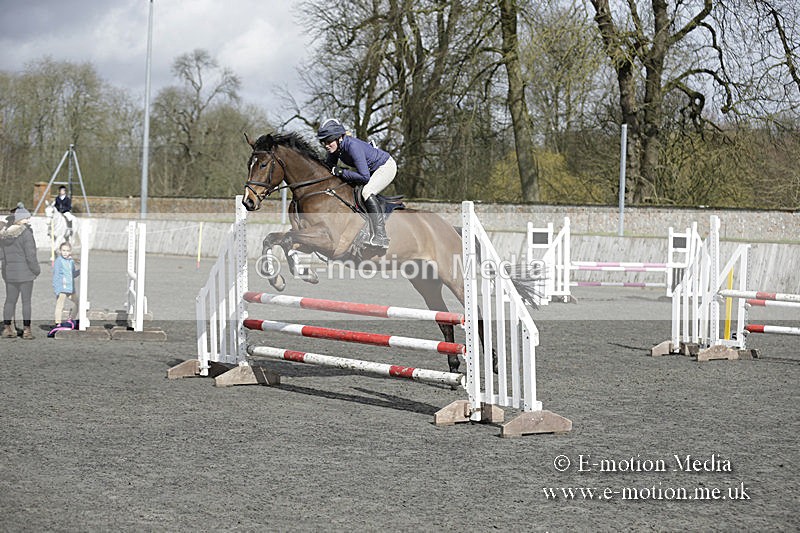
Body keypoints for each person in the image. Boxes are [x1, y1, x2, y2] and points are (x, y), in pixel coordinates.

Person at [316, 119, 396, 248]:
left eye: (329, 141)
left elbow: (364, 177)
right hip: (372, 170)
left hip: (386, 167)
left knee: (367, 191)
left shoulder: (352, 146)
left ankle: (381, 236)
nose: (326, 145)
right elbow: (329, 168)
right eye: (323, 142)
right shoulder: (336, 149)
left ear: (339, 138)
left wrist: (341, 172)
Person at [1, 204, 41, 339]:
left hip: (9, 273)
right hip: (25, 273)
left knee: (10, 301)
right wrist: (36, 270)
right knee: (26, 302)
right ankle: (26, 330)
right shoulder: (26, 233)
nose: (28, 221)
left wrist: (6, 271)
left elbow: (2, 256)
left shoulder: (4, 235)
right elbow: (31, 255)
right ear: (20, 219)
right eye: (26, 218)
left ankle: (7, 328)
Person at [52, 242, 80, 326]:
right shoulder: (58, 261)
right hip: (62, 288)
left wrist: (80, 271)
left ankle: (71, 319)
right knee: (60, 305)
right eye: (63, 250)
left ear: (70, 252)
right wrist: (56, 289)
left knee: (78, 303)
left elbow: (73, 274)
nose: (65, 252)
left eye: (67, 251)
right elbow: (56, 275)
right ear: (60, 251)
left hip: (71, 288)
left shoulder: (71, 262)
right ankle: (58, 323)